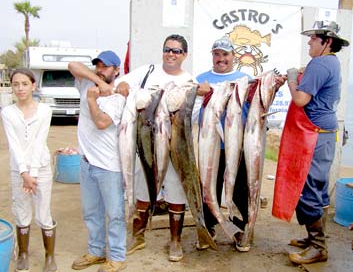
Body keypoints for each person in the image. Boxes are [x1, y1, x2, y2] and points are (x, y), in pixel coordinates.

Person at [195, 37, 285, 251]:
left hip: (239, 145)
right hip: (212, 146)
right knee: (209, 186)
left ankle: (241, 230)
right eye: (217, 54)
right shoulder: (201, 79)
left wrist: (275, 88)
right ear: (212, 56)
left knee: (240, 188)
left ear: (233, 56)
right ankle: (209, 229)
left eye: (225, 54)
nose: (221, 59)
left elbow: (261, 105)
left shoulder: (245, 78)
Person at [115, 34, 194, 262]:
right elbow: (124, 83)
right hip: (145, 143)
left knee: (176, 193)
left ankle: (175, 241)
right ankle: (138, 237)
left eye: (177, 51)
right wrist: (122, 84)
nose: (171, 54)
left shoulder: (189, 80)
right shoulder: (147, 71)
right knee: (142, 190)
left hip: (175, 146)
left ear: (184, 55)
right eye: (167, 49)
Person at [282, 21, 349, 264]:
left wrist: (292, 79)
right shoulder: (330, 62)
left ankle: (318, 246)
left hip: (315, 133)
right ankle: (313, 239)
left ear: (327, 42)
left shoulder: (321, 63)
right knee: (318, 187)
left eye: (313, 38)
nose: (309, 42)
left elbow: (300, 99)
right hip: (324, 132)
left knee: (308, 186)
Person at [68, 51, 127, 272]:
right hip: (86, 161)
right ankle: (96, 251)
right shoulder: (87, 84)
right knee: (91, 212)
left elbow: (102, 122)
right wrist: (97, 82)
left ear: (117, 70)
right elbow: (72, 65)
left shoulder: (118, 95)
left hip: (109, 165)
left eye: (106, 67)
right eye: (98, 65)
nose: (101, 69)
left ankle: (117, 256)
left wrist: (94, 99)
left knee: (115, 213)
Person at [1, 68, 57, 272]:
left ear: (33, 85)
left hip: (40, 169)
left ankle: (49, 256)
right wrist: (24, 173)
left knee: (44, 212)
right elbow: (14, 144)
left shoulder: (45, 110)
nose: (20, 88)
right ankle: (23, 253)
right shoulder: (7, 112)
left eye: (24, 83)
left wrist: (32, 173)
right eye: (16, 84)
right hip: (18, 171)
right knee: (21, 211)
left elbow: (40, 141)